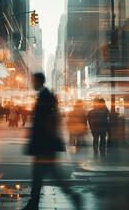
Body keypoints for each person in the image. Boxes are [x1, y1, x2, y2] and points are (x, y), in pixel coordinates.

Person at [22, 73, 81, 210]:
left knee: (47, 174)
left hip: (45, 143)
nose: (32, 83)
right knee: (41, 173)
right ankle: (33, 203)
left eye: (33, 81)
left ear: (38, 81)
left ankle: (72, 196)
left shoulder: (45, 96)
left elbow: (45, 121)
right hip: (44, 142)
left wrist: (41, 139)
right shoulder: (44, 95)